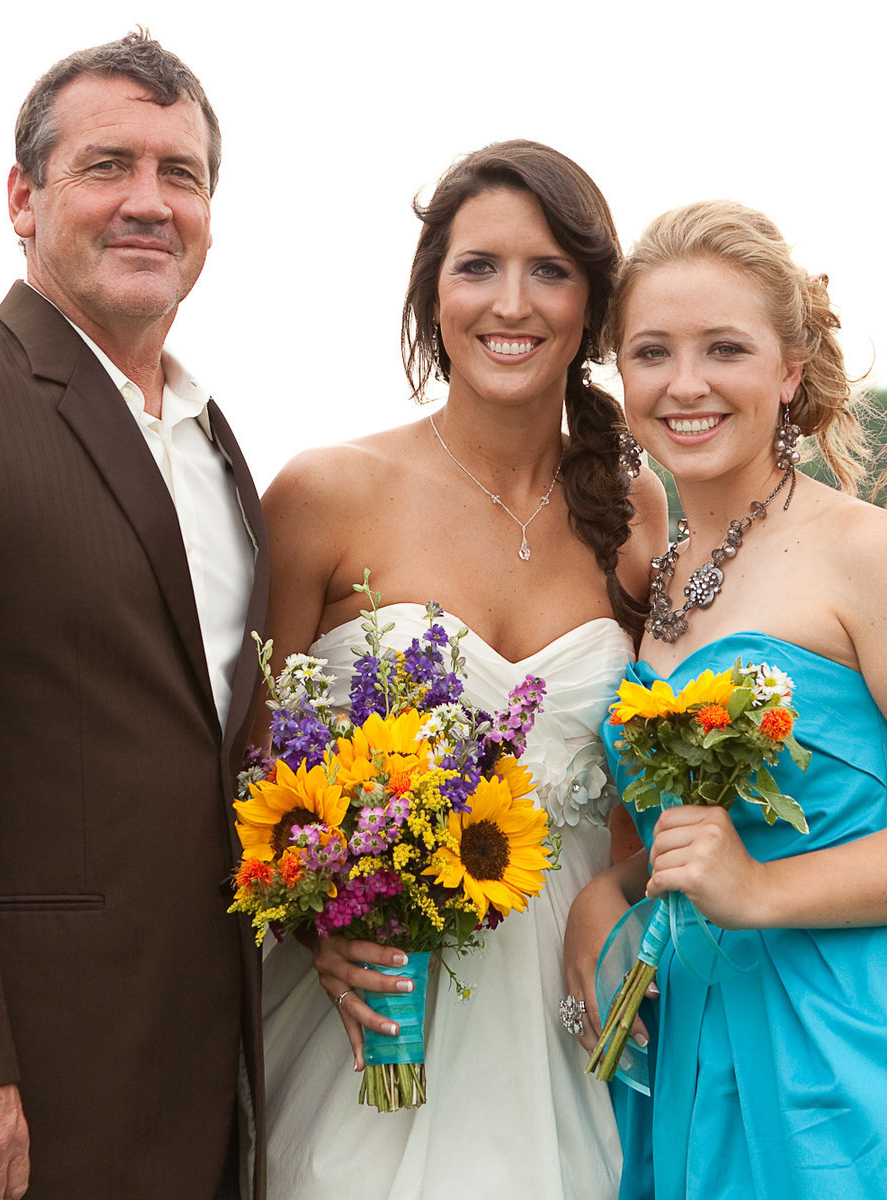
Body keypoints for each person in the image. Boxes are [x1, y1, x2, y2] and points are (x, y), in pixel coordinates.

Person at [0, 31, 268, 1200]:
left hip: (198, 1076)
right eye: (107, 166)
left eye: (180, 175)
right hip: (8, 1093)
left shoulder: (220, 447)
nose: (149, 202)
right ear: (23, 200)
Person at [257, 140, 665, 1199]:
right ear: (431, 293)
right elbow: (247, 777)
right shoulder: (325, 492)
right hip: (370, 1021)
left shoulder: (637, 515)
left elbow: (640, 800)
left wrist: (618, 911)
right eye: (478, 266)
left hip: (563, 1022)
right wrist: (311, 923)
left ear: (591, 304)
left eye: (549, 271)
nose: (510, 303)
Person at [566, 199, 887, 1199]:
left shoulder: (863, 555)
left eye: (724, 348)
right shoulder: (653, 576)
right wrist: (608, 893)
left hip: (838, 1056)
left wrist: (760, 893)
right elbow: (689, 828)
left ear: (789, 369)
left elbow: (742, 863)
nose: (685, 383)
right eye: (651, 352)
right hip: (684, 1049)